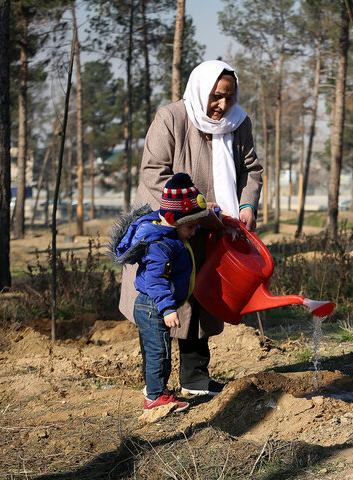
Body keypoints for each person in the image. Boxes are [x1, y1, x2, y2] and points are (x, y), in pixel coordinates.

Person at [118, 60, 263, 397]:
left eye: (229, 97)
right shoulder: (171, 118)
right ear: (201, 89)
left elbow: (251, 170)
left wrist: (246, 205)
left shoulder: (238, 122)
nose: (222, 105)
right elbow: (154, 173)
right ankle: (157, 388)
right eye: (216, 96)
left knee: (201, 301)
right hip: (169, 231)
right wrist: (197, 210)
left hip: (216, 230)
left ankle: (195, 379)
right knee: (163, 302)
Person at [111, 173, 212, 411]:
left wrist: (212, 213)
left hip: (152, 306)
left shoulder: (168, 231)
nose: (193, 232)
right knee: (160, 352)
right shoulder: (160, 245)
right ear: (171, 219)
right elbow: (156, 281)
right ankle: (155, 397)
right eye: (190, 226)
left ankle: (158, 392)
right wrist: (167, 308)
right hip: (153, 306)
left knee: (160, 349)